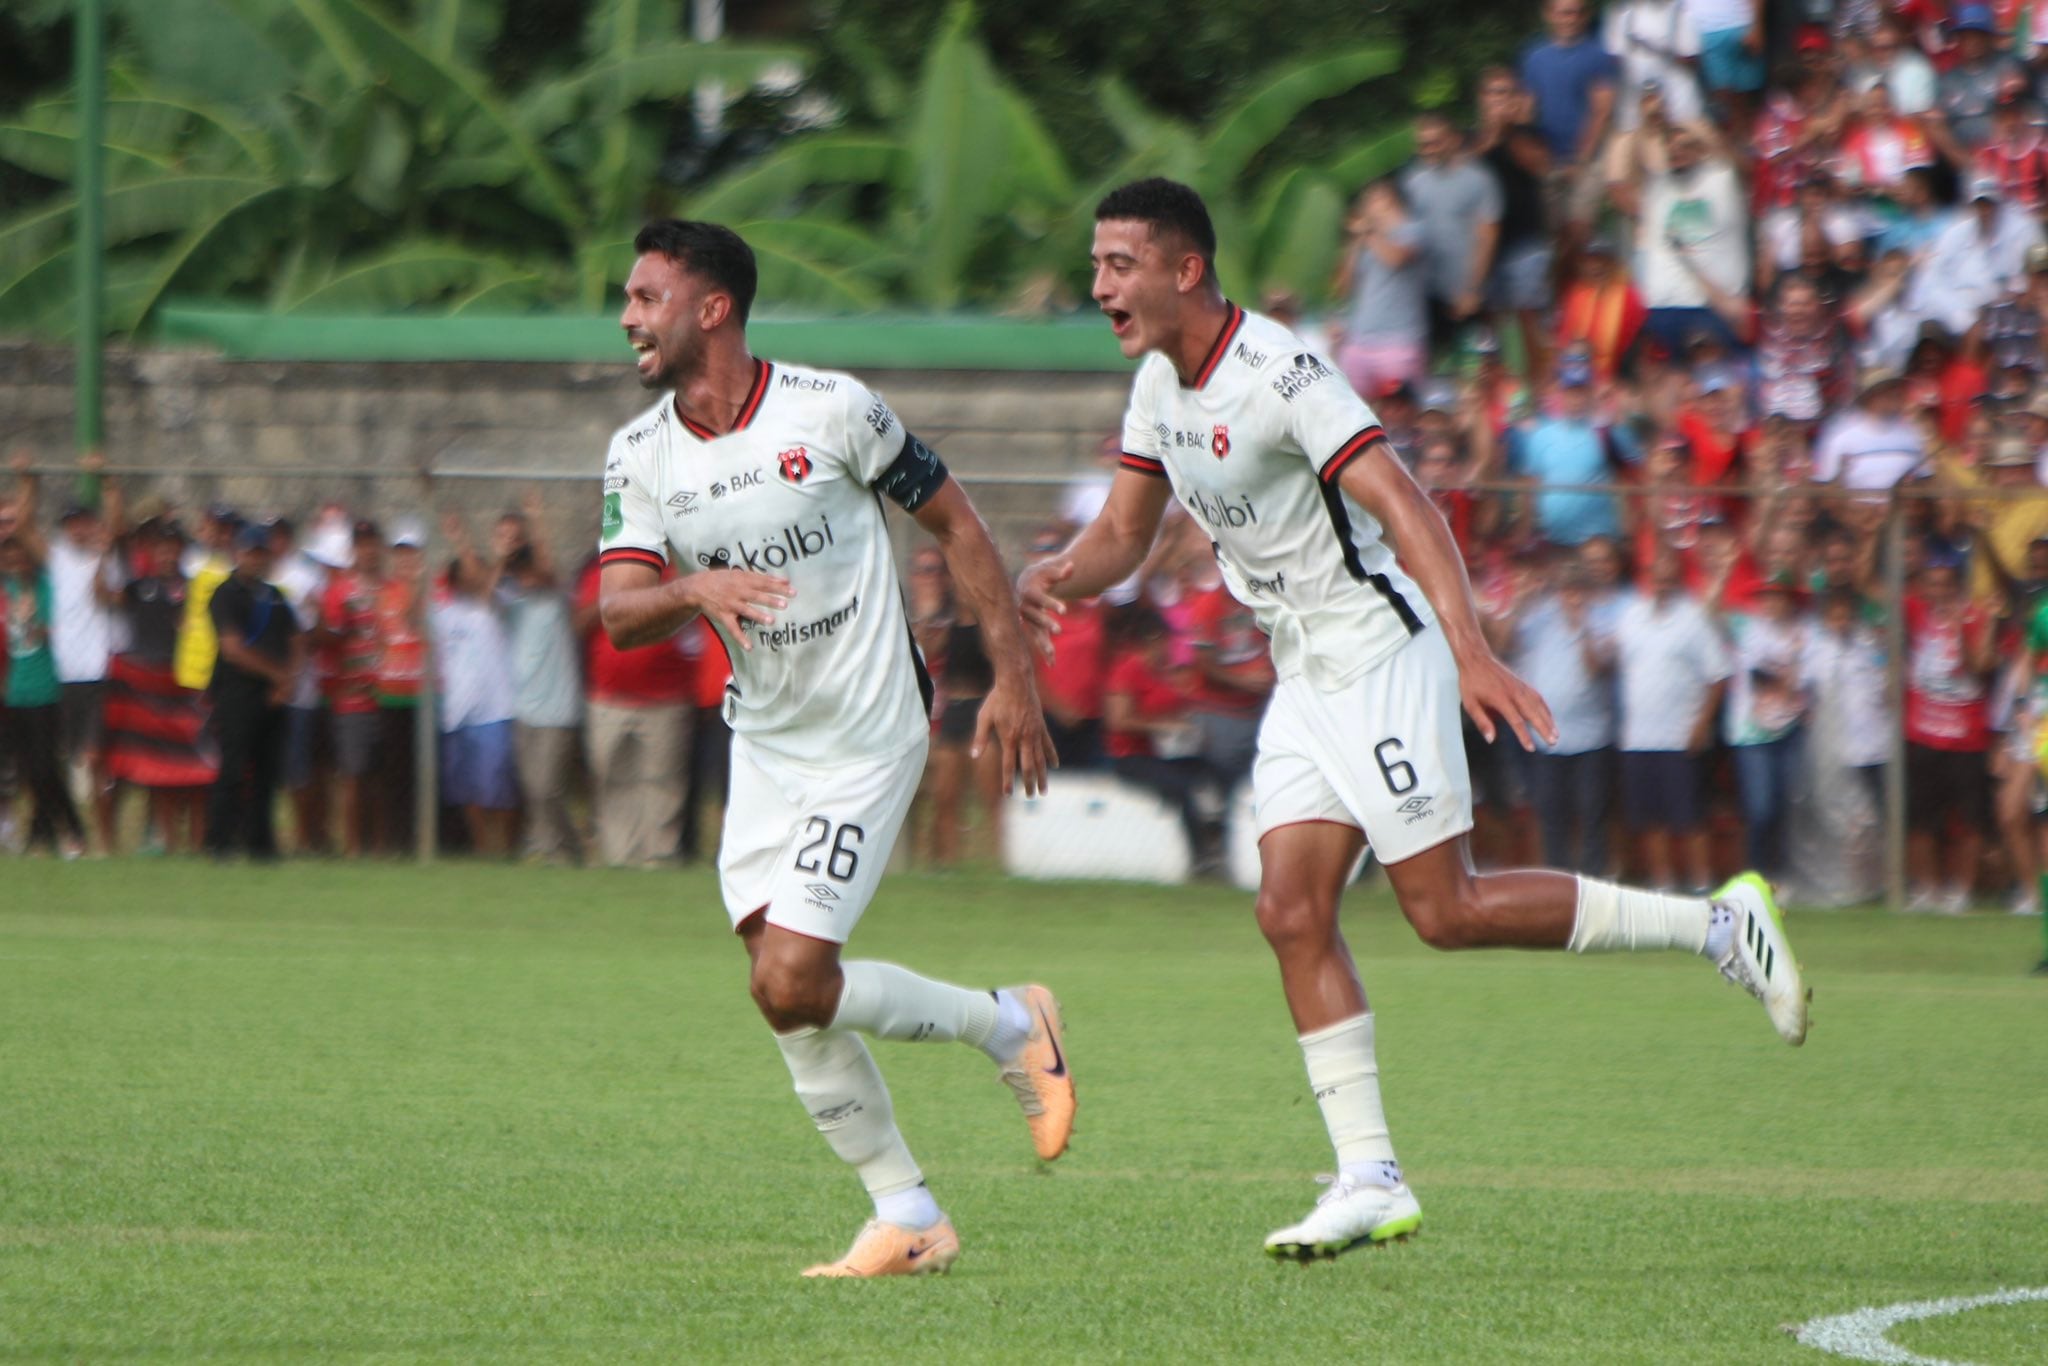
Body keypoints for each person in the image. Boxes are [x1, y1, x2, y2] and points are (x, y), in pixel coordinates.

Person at [1022, 178, 1806, 1264]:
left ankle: (1719, 927)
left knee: (1444, 909)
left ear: (1183, 269)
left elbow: (1405, 501)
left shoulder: (1281, 370)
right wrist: (1059, 572)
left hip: (1380, 654)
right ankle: (1368, 1176)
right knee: (1289, 912)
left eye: (1117, 264)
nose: (1098, 284)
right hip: (1302, 675)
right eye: (1098, 264)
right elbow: (1121, 532)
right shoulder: (1158, 386)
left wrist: (1470, 646)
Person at [594, 218, 1069, 1277]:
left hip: (867, 732)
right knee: (780, 990)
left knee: (797, 975)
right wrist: (691, 588)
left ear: (710, 308)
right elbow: (620, 610)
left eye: (645, 295)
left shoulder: (832, 409)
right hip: (764, 742)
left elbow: (958, 526)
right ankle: (905, 1211)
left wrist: (1012, 680)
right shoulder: (639, 454)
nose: (627, 315)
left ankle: (1006, 1024)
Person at [1613, 544, 1733, 893]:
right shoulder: (1631, 616)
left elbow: (1718, 676)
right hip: (1638, 736)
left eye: (1669, 577)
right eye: (1656, 576)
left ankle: (1700, 882)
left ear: (1678, 578)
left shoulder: (1694, 617)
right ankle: (1662, 884)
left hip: (1681, 734)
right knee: (1649, 818)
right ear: (1647, 578)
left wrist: (1701, 724)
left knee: (1691, 817)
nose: (1662, 583)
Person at [104, 519, 214, 854]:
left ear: (182, 550)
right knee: (158, 774)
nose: (167, 553)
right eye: (160, 547)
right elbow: (102, 593)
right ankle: (167, 841)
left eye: (172, 546)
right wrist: (110, 542)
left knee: (198, 772)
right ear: (150, 551)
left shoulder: (197, 589)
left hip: (185, 687)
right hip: (147, 690)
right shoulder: (138, 587)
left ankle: (197, 842)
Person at [1510, 562, 1619, 873]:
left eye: (1578, 590)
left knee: (1592, 813)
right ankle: (1556, 878)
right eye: (1566, 591)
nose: (1572, 597)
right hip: (1547, 737)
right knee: (1550, 813)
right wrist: (1519, 603)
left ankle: (1594, 877)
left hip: (1591, 738)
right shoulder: (1539, 619)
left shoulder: (1602, 620)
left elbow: (1597, 667)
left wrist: (1582, 627)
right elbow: (1504, 643)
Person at [1903, 558, 1997, 912]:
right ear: (1924, 587)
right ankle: (1926, 889)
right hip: (1924, 734)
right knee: (1921, 818)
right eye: (1932, 583)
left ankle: (1961, 891)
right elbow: (1871, 587)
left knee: (1970, 819)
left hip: (1967, 738)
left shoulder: (1976, 617)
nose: (1938, 591)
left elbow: (1981, 667)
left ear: (1956, 586)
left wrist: (1960, 631)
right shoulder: (1915, 610)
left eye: (1945, 584)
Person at [497, 491, 583, 864]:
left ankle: (568, 849)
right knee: (533, 791)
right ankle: (552, 851)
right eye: (521, 571)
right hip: (523, 709)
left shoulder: (555, 599)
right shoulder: (511, 604)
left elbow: (549, 566)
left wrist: (535, 518)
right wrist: (502, 556)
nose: (527, 577)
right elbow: (486, 589)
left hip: (557, 711)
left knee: (547, 788)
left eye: (528, 569)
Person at [204, 525, 300, 861]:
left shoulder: (275, 595)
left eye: (260, 553)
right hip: (237, 693)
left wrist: (288, 682)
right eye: (249, 552)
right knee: (232, 769)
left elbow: (295, 638)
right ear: (238, 554)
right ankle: (220, 842)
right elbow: (233, 648)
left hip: (273, 696)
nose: (255, 559)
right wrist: (279, 676)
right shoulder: (225, 594)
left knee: (267, 773)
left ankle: (261, 845)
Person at [432, 515, 519, 857]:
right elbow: (411, 619)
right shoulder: (443, 612)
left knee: (498, 790)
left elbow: (485, 587)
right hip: (457, 713)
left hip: (494, 711)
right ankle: (483, 849)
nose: (470, 576)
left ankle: (506, 847)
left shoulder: (495, 605)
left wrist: (460, 539)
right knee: (468, 790)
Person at [0, 528, 86, 857]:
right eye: (8, 558)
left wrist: (35, 620)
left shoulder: (46, 589)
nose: (14, 563)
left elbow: (57, 633)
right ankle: (41, 834)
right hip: (16, 691)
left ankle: (73, 831)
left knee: (45, 767)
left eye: (19, 557)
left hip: (45, 688)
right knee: (27, 771)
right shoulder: (7, 591)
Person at [1400, 114, 1503, 348]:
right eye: (1422, 144)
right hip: (1427, 293)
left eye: (1434, 142)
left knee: (1475, 363)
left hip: (1468, 293)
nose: (1427, 150)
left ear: (1454, 140)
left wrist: (1473, 289)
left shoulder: (1478, 179)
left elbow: (1488, 235)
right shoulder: (1412, 180)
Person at [316, 521, 388, 857]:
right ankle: (353, 846)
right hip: (352, 697)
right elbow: (327, 640)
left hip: (387, 695)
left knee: (379, 776)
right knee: (353, 774)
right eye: (361, 544)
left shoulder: (391, 589)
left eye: (372, 543)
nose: (368, 550)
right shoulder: (340, 592)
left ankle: (379, 844)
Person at [1331, 179, 1429, 397]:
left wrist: (1369, 233)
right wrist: (1354, 244)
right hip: (1358, 340)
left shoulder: (1412, 229)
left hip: (1398, 340)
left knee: (1401, 408)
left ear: (1392, 201)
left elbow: (1396, 259)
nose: (1368, 207)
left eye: (1374, 200)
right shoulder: (1365, 241)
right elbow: (1342, 288)